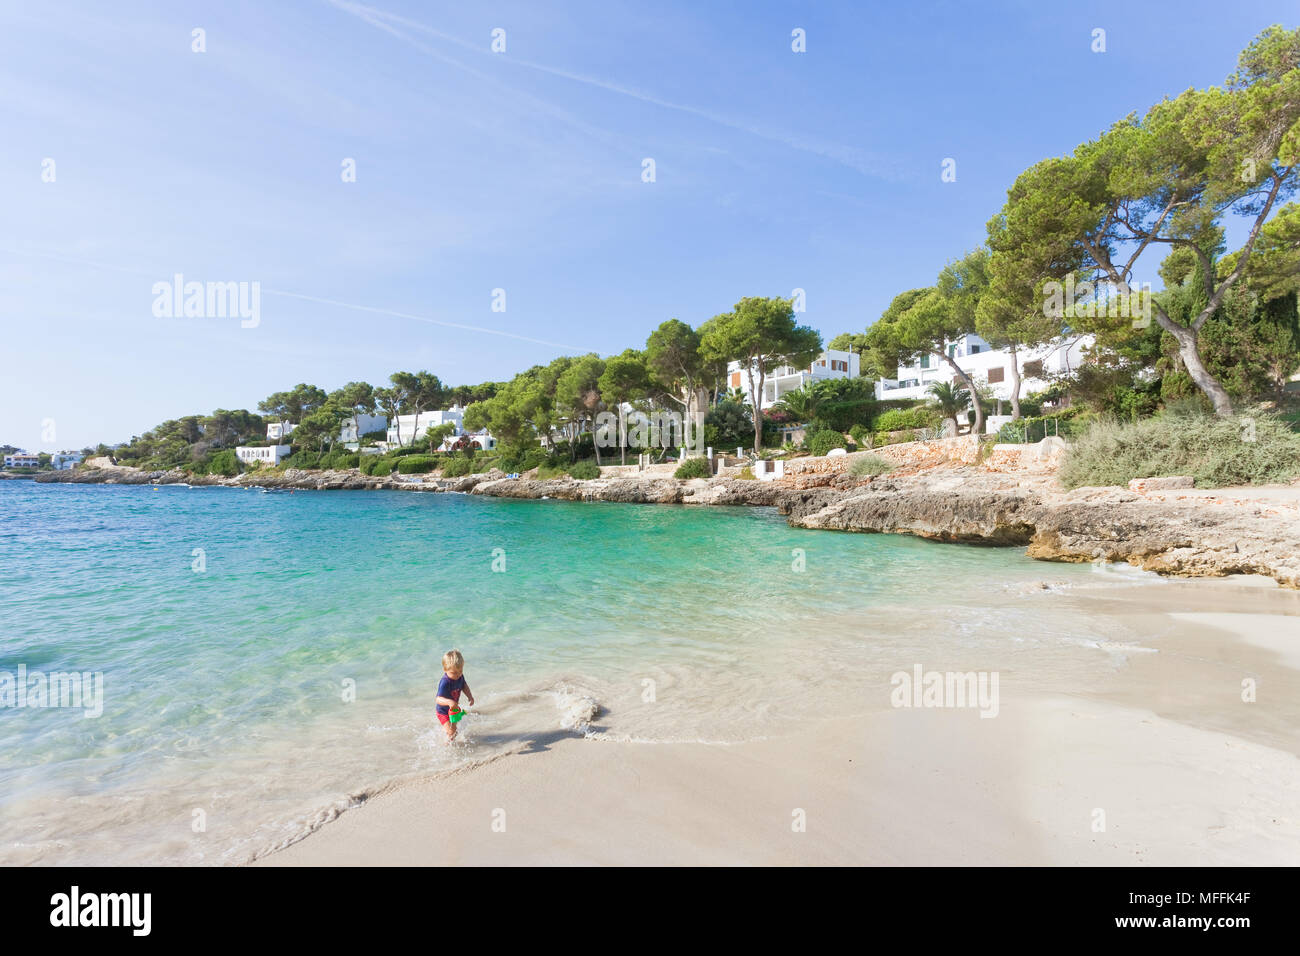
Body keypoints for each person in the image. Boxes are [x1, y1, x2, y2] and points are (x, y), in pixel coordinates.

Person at [435, 649, 474, 741]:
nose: (458, 674)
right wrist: (449, 702)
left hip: (454, 710)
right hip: (443, 712)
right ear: (445, 669)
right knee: (452, 732)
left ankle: (448, 737)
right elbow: (438, 699)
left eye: (460, 671)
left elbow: (464, 686)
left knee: (454, 731)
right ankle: (446, 747)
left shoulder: (460, 676)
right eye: (454, 673)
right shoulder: (445, 682)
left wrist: (470, 696)